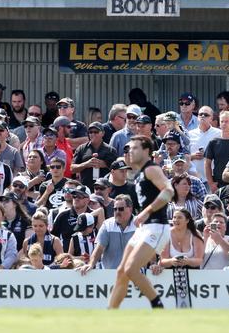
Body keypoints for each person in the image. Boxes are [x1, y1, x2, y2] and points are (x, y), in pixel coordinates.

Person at [109, 135, 174, 309]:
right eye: (129, 148)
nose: (130, 150)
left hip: (157, 226)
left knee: (131, 269)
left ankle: (158, 306)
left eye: (135, 147)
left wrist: (146, 211)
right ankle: (110, 311)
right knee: (122, 271)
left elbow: (169, 191)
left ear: (146, 151)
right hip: (145, 228)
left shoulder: (151, 169)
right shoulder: (138, 174)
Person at [78, 195, 136, 272]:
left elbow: (148, 246)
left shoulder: (140, 224)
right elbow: (99, 248)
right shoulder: (107, 225)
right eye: (115, 209)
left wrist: (153, 264)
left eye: (121, 209)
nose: (117, 212)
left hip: (135, 273)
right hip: (110, 274)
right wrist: (91, 264)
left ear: (130, 209)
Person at [71, 122, 117, 190]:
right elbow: (72, 169)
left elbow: (117, 169)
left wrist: (105, 164)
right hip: (86, 187)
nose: (93, 134)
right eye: (90, 132)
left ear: (103, 133)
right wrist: (86, 164)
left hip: (105, 188)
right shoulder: (81, 149)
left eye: (96, 132)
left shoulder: (110, 150)